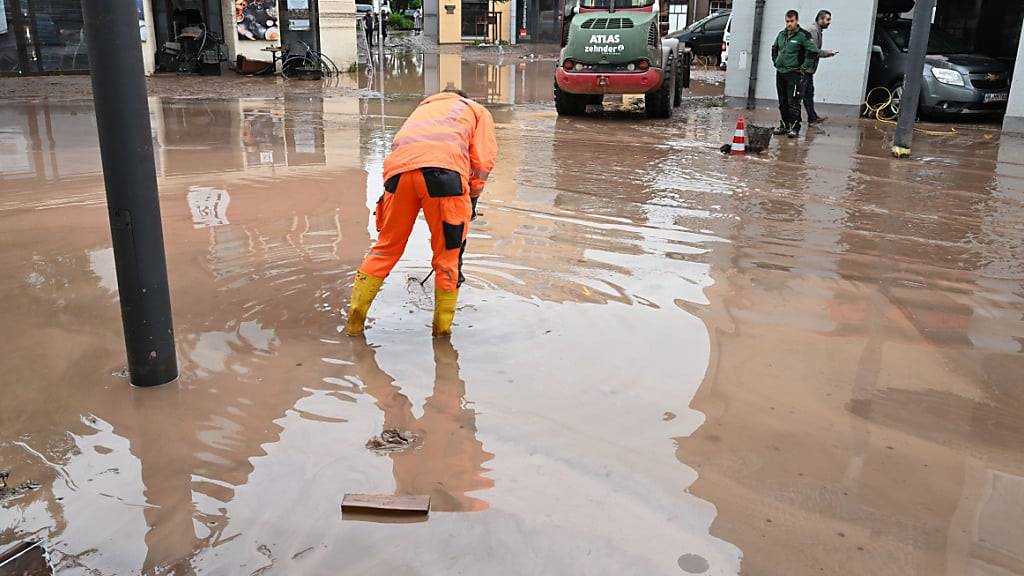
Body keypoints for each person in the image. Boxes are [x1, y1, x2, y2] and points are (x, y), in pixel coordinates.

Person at [345, 88, 498, 337]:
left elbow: (397, 150)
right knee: (447, 259)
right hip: (445, 179)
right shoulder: (475, 110)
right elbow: (482, 162)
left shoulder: (422, 110)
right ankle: (441, 336)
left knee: (385, 249)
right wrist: (472, 199)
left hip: (397, 178)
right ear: (463, 97)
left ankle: (354, 324)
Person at [771, 10, 818, 138]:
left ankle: (795, 127)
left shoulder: (803, 35)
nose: (789, 24)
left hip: (795, 74)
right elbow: (774, 48)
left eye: (791, 21)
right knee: (783, 101)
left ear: (796, 20)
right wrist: (776, 62)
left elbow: (813, 51)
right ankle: (785, 125)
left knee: (794, 102)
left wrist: (803, 67)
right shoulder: (782, 35)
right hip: (781, 72)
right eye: (787, 21)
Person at [802, 10, 836, 124]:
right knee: (798, 96)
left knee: (808, 93)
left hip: (808, 69)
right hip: (803, 69)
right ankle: (792, 124)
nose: (829, 22)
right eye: (827, 19)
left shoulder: (817, 30)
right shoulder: (812, 30)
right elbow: (813, 51)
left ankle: (812, 118)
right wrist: (827, 53)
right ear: (820, 19)